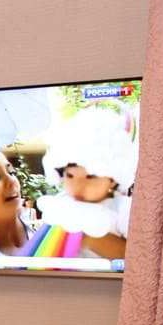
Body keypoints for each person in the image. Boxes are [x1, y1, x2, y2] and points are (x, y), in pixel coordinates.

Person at [35, 106, 133, 260]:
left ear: (113, 180)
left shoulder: (124, 209)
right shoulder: (61, 203)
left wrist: (88, 235)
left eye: (91, 177)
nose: (78, 186)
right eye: (70, 176)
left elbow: (137, 257)